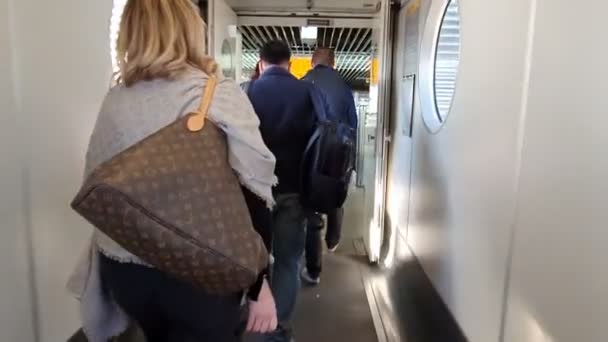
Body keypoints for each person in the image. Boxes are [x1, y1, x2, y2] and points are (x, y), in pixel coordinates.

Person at [66, 1, 278, 341]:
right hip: (198, 271)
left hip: (125, 269)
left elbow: (100, 183)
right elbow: (254, 197)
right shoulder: (215, 94)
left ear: (130, 34)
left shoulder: (116, 99)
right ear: (190, 29)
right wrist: (257, 287)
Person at [245, 40, 318, 342]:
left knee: (251, 260)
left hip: (252, 192)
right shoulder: (307, 92)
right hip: (293, 190)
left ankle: (246, 319)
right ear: (290, 63)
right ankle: (277, 331)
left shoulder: (245, 92)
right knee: (288, 262)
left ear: (261, 63)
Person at [301, 47, 358, 285]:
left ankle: (314, 269)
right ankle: (333, 240)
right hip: (338, 152)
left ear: (312, 62)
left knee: (312, 207)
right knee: (336, 193)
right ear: (333, 63)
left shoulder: (303, 82)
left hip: (311, 152)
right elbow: (353, 123)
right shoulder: (344, 87)